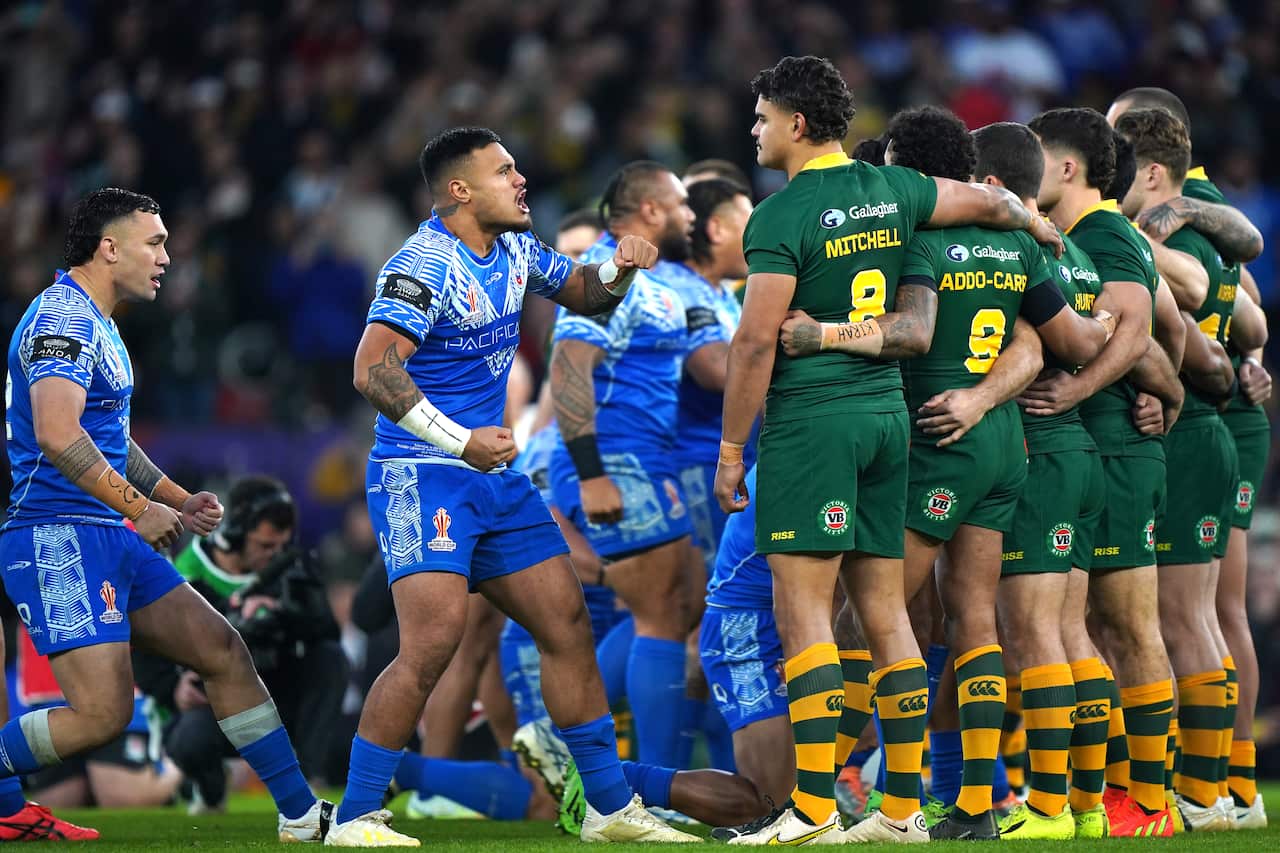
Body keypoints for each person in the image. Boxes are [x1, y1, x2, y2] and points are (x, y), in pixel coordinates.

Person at [713, 55, 1064, 845]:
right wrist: (1035, 225)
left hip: (815, 420)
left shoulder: (780, 215)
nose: (754, 130)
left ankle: (810, 809)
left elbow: (754, 342)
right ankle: (902, 808)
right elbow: (992, 200)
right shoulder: (899, 190)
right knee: (886, 613)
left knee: (805, 611)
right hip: (887, 422)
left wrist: (732, 449)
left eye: (762, 118)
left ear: (797, 124)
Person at [336, 126, 697, 845]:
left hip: (494, 477)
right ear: (461, 190)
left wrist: (621, 266)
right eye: (504, 171)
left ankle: (607, 809)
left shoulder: (517, 250)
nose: (521, 179)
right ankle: (355, 812)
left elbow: (587, 294)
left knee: (566, 624)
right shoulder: (423, 264)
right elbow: (371, 367)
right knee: (432, 644)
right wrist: (460, 440)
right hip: (423, 473)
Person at [784, 106, 1112, 840]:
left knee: (870, 617)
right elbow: (1059, 341)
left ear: (910, 170)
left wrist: (820, 334)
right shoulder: (1018, 242)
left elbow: (913, 328)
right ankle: (972, 806)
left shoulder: (918, 237)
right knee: (973, 619)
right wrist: (1106, 327)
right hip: (1003, 444)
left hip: (936, 434)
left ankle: (834, 795)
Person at [0, 187, 332, 842]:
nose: (166, 257)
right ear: (109, 247)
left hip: (103, 531)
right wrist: (140, 507)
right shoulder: (62, 319)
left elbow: (111, 441)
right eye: (154, 243)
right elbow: (58, 434)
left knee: (222, 649)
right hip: (56, 536)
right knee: (101, 714)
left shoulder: (100, 322)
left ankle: (300, 816)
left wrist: (177, 499)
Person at [1107, 86, 1271, 830]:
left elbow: (1206, 315)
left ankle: (1210, 790)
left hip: (1199, 427)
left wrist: (1172, 385)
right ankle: (1221, 788)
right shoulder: (1194, 219)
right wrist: (1251, 355)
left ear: (1149, 169)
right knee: (1199, 612)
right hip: (1211, 426)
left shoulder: (1173, 226)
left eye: (1115, 149)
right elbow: (1250, 314)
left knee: (1190, 613)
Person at [1018, 108, 1181, 837]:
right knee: (1096, 626)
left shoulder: (1105, 235)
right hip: (1110, 441)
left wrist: (1081, 389)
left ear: (1067, 167)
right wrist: (1169, 390)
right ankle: (1114, 794)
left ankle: (1146, 799)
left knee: (1128, 625)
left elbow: (1136, 330)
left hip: (1111, 444)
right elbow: (1171, 331)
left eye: (1037, 156)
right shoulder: (1108, 237)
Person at [547, 160, 696, 771]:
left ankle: (558, 742)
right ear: (652, 210)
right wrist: (591, 473)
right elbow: (568, 366)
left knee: (678, 603)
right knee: (660, 613)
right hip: (614, 457)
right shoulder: (607, 274)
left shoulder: (655, 280)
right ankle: (654, 782)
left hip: (648, 458)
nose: (690, 215)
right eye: (682, 204)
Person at [133, 475, 345, 813]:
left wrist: (284, 612)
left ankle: (307, 783)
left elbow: (329, 634)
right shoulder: (184, 572)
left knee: (330, 659)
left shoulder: (290, 566)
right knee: (191, 739)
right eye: (265, 546)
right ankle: (209, 785)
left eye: (281, 545)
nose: (275, 554)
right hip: (210, 704)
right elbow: (145, 647)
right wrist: (173, 688)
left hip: (277, 690)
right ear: (234, 533)